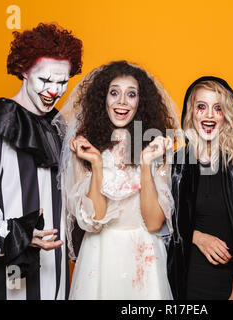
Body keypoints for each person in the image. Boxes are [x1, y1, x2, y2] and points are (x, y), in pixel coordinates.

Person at [0, 23, 83, 300]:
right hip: (12, 268)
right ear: (24, 71)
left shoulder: (58, 126)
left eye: (62, 82)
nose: (53, 91)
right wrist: (18, 236)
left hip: (56, 270)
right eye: (45, 80)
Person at [58, 60, 179, 299]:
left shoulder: (157, 149)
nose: (122, 101)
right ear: (103, 99)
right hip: (100, 256)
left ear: (140, 103)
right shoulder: (84, 148)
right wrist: (97, 165)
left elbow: (154, 223)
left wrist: (145, 163)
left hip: (144, 258)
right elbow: (96, 220)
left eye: (131, 94)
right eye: (114, 93)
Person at [167, 76, 233, 300]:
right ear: (191, 112)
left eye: (218, 108)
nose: (208, 115)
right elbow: (168, 223)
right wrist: (197, 237)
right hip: (191, 278)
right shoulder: (178, 162)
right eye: (201, 107)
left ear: (227, 114)